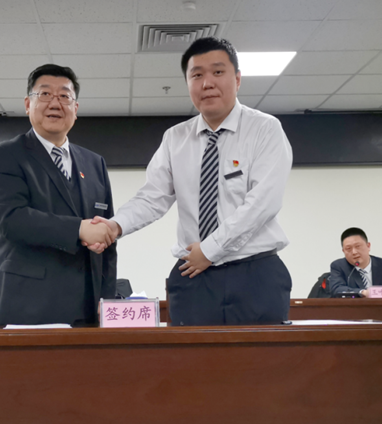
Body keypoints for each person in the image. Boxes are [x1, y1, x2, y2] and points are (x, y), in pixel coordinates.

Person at [88, 37, 293, 326]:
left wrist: (209, 250)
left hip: (255, 274)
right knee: (189, 356)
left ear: (237, 79)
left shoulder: (265, 129)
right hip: (193, 275)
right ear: (188, 84)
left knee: (260, 356)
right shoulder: (175, 138)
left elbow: (262, 204)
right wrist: (115, 225)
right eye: (197, 75)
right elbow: (153, 197)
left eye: (218, 72)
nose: (207, 83)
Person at [0, 64, 117, 327]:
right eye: (45, 94)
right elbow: (11, 219)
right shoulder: (4, 155)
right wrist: (78, 229)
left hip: (88, 310)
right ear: (27, 104)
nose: (55, 103)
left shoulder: (94, 163)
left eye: (64, 96)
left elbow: (106, 234)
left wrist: (107, 300)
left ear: (75, 108)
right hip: (26, 307)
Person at [329, 227, 382, 297]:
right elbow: (337, 289)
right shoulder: (339, 266)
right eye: (348, 249)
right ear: (343, 251)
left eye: (358, 246)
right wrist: (362, 292)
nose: (354, 252)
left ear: (368, 246)